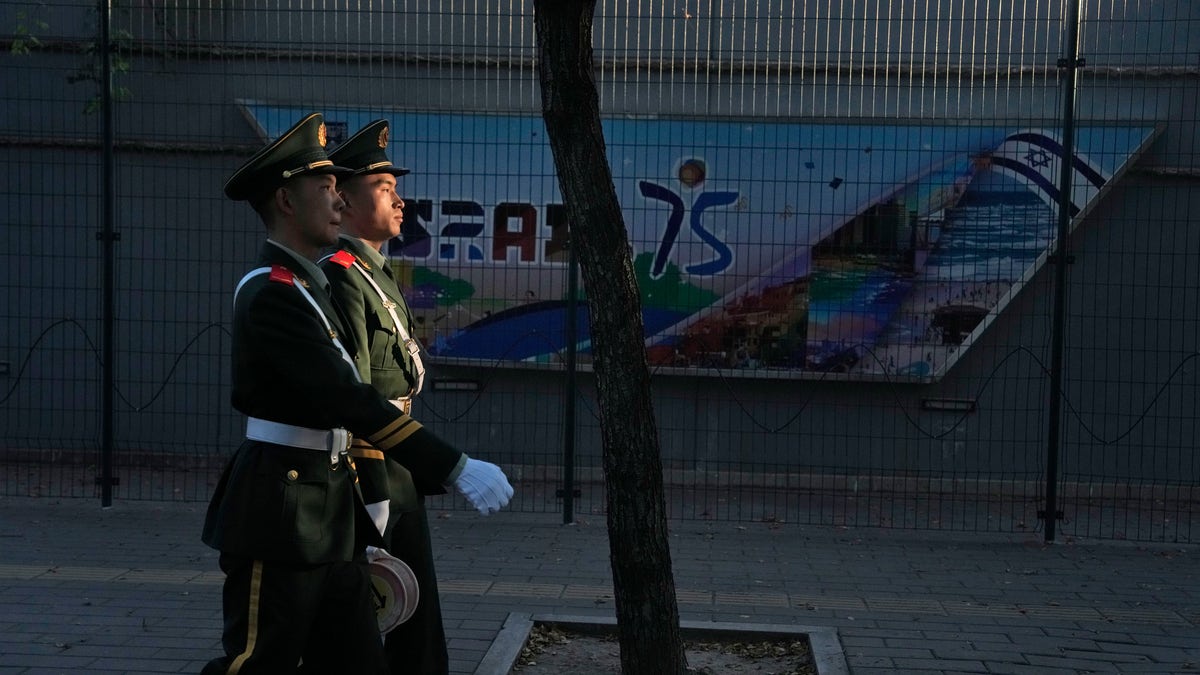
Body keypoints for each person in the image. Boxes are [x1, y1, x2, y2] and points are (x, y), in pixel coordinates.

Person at [202, 112, 514, 675]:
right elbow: (349, 396)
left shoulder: (308, 286)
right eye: (325, 189)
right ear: (286, 202)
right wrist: (452, 465)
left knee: (357, 659)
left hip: (329, 510)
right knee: (259, 663)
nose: (339, 203)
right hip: (281, 509)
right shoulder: (273, 293)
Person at [319, 119, 449, 673]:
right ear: (343, 202)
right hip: (371, 464)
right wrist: (371, 487)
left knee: (411, 608)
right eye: (385, 189)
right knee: (383, 612)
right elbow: (355, 393)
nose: (400, 201)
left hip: (397, 461)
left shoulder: (374, 272)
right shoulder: (342, 275)